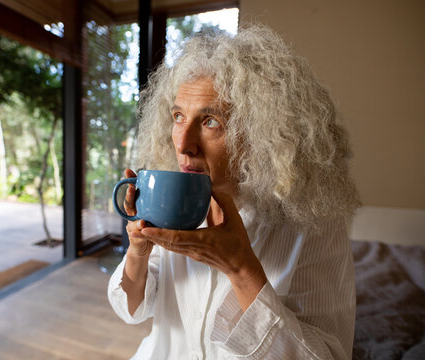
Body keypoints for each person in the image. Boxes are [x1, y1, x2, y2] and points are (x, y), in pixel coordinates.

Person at [108, 24, 361, 360]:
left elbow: (327, 355)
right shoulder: (174, 206)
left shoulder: (314, 224)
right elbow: (133, 310)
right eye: (178, 116)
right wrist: (138, 250)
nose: (183, 144)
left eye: (210, 121)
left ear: (263, 131)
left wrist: (242, 269)